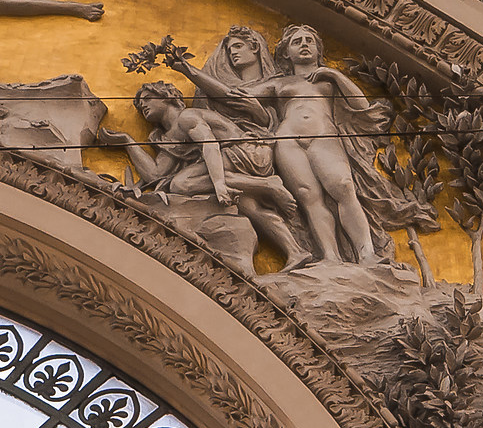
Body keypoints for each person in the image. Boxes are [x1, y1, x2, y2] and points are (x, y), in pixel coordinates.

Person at [170, 24, 413, 267]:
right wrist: (189, 71)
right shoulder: (280, 84)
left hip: (323, 136)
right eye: (297, 42)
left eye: (309, 40)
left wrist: (335, 74)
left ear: (319, 49)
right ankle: (330, 256)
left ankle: (366, 254)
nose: (304, 44)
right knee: (310, 198)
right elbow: (233, 95)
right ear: (286, 53)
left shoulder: (328, 81)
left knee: (343, 187)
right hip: (288, 141)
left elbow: (361, 105)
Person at [99, 81, 307, 269]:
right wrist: (128, 142)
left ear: (168, 97)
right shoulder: (166, 136)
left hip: (245, 152)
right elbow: (156, 173)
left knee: (182, 183)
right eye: (138, 104)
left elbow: (210, 145)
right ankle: (295, 252)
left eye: (147, 99)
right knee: (251, 209)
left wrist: (219, 184)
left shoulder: (187, 117)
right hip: (229, 164)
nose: (142, 105)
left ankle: (268, 185)